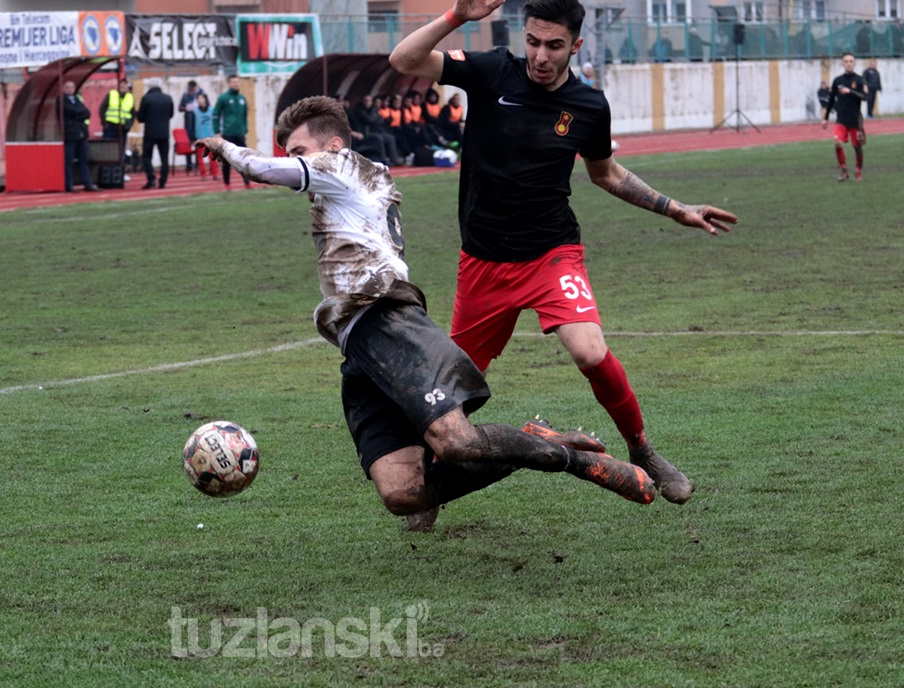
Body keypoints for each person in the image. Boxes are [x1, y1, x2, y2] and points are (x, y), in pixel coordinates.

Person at [195, 96, 656, 531]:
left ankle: (575, 460)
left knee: (457, 443)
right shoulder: (347, 185)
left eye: (300, 150)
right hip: (359, 343)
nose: (295, 159)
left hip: (387, 320)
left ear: (332, 145)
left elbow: (263, 168)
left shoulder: (344, 166)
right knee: (403, 493)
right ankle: (537, 443)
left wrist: (223, 145)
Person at [389, 0, 738, 504]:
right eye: (532, 41)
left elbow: (608, 174)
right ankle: (433, 487)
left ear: (575, 45)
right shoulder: (489, 72)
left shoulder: (589, 106)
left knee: (590, 352)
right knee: (452, 392)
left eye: (554, 45)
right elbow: (403, 61)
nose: (540, 55)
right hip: (482, 262)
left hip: (552, 254)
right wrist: (457, 15)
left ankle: (641, 449)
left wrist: (675, 209)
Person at [822, 52, 867, 181]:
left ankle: (858, 171)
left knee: (857, 147)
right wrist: (825, 118)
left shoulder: (860, 80)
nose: (848, 63)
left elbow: (865, 97)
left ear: (854, 63)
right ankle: (844, 171)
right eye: (846, 61)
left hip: (855, 120)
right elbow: (831, 100)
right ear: (842, 64)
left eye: (850, 61)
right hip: (841, 119)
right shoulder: (837, 81)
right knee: (837, 143)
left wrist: (851, 91)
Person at [212, 74, 251, 189]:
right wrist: (217, 131)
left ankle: (247, 183)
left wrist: (245, 130)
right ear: (229, 83)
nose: (236, 84)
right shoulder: (223, 98)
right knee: (226, 160)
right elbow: (215, 115)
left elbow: (244, 116)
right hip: (228, 133)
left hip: (240, 134)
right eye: (234, 82)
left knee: (244, 159)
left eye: (237, 82)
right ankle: (227, 183)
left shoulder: (242, 99)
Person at [135, 78, 176, 189]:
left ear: (150, 87)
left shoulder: (146, 99)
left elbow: (141, 118)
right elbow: (171, 114)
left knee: (146, 157)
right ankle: (163, 181)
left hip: (150, 133)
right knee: (164, 158)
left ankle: (151, 178)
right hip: (164, 133)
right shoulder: (168, 98)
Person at [61, 80, 96, 193]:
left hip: (82, 134)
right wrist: (79, 113)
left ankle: (88, 183)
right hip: (70, 135)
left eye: (72, 87)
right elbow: (71, 111)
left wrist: (78, 114)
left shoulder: (77, 99)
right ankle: (69, 185)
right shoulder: (61, 100)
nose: (70, 89)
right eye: (67, 87)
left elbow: (87, 113)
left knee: (84, 160)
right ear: (63, 88)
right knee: (68, 161)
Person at [102, 79, 136, 172]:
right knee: (108, 150)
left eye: (125, 85)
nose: (123, 87)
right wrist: (104, 124)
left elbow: (132, 113)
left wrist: (129, 125)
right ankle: (108, 171)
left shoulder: (130, 97)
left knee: (121, 151)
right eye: (121, 85)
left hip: (123, 128)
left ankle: (119, 172)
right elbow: (102, 109)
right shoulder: (111, 95)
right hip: (110, 127)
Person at [178, 80, 208, 173]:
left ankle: (199, 164)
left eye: (192, 90)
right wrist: (186, 108)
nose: (191, 91)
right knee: (188, 142)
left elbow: (207, 106)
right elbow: (180, 107)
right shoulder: (186, 94)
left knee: (199, 143)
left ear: (196, 87)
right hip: (188, 121)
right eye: (190, 90)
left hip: (198, 122)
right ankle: (189, 164)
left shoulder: (202, 93)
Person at [193, 92, 219, 181]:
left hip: (211, 137)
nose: (200, 100)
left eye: (202, 98)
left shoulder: (212, 110)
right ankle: (203, 174)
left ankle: (215, 174)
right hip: (200, 138)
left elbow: (216, 122)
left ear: (205, 99)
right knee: (200, 158)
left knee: (212, 157)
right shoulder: (194, 111)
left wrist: (217, 133)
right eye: (198, 98)